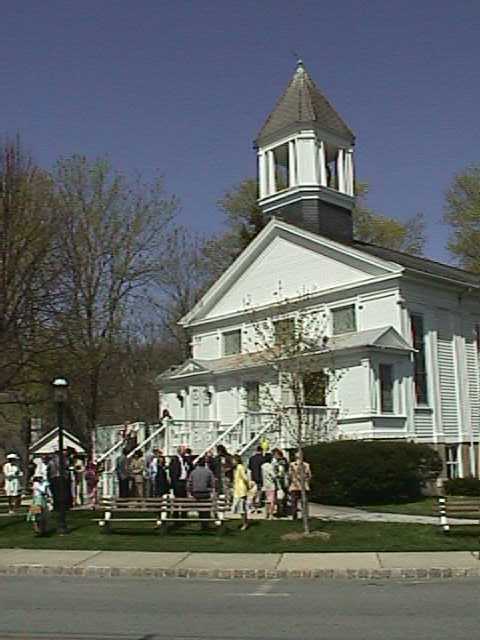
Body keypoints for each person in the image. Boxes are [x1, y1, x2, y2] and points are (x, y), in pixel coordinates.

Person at [187, 457, 214, 530]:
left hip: (196, 494)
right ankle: (205, 524)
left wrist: (190, 492)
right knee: (206, 509)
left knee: (200, 508)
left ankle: (203, 523)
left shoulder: (193, 472)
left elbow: (189, 483)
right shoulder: (208, 472)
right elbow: (212, 483)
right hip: (205, 493)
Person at [288, 451, 312, 520]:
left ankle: (304, 516)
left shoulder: (306, 465)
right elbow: (290, 475)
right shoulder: (292, 464)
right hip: (295, 486)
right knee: (294, 502)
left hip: (303, 485)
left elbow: (309, 475)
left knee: (303, 502)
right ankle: (295, 515)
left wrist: (305, 480)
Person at [169, 446, 189, 518]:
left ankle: (184, 515)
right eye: (183, 451)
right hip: (177, 482)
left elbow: (188, 467)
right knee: (177, 499)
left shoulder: (184, 459)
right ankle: (176, 515)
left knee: (184, 500)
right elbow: (172, 472)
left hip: (184, 481)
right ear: (180, 451)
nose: (185, 452)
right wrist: (174, 482)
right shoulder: (174, 459)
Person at [232, 454, 249, 530]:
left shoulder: (240, 467)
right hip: (238, 490)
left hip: (241, 490)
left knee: (242, 508)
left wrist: (248, 485)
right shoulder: (237, 468)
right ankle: (244, 522)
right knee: (240, 508)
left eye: (233, 460)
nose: (232, 462)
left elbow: (245, 477)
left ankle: (245, 523)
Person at [272, 448, 289, 517]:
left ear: (277, 454)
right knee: (281, 496)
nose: (273, 456)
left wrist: (276, 474)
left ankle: (281, 512)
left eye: (274, 454)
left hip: (281, 481)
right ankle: (281, 511)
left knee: (280, 496)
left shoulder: (281, 461)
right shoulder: (283, 460)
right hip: (282, 480)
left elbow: (281, 472)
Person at [248, 446, 264, 512]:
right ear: (261, 451)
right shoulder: (263, 458)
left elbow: (250, 468)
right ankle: (257, 506)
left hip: (253, 477)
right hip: (260, 478)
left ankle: (252, 505)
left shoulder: (251, 458)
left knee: (252, 493)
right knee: (258, 493)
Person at [261, 453, 276, 520]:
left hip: (265, 484)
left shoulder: (263, 466)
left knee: (267, 501)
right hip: (271, 484)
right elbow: (273, 475)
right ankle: (271, 515)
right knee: (272, 500)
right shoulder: (270, 466)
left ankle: (266, 514)